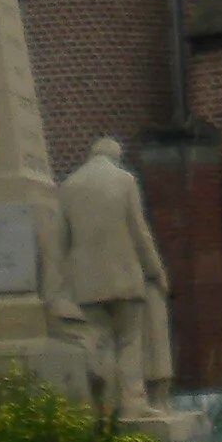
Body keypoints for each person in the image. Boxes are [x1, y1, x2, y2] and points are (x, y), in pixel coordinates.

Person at [59, 136, 171, 420]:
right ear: (115, 156)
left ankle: (105, 405)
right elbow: (139, 231)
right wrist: (156, 271)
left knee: (100, 342)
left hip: (87, 283)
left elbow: (64, 239)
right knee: (130, 341)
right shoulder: (124, 181)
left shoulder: (69, 186)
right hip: (124, 279)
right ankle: (132, 402)